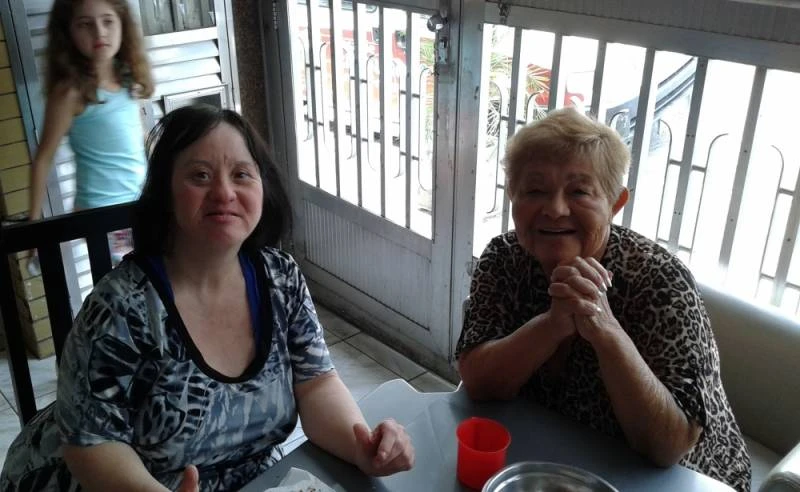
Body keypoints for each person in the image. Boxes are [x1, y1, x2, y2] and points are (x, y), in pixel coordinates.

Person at [0, 104, 415, 491]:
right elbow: (91, 444)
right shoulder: (121, 308)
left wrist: (361, 446)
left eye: (241, 174)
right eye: (199, 175)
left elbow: (316, 383)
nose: (224, 192)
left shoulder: (280, 278)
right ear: (165, 193)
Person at [455, 108, 751, 491]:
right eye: (534, 191)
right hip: (552, 459)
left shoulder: (660, 281)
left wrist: (604, 328)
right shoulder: (503, 259)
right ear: (513, 196)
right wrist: (552, 325)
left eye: (579, 191)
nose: (555, 209)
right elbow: (478, 382)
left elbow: (669, 445)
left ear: (615, 203)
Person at [27, 0, 154, 266]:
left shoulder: (128, 81)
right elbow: (43, 159)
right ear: (68, 33)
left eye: (108, 21)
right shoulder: (70, 93)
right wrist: (33, 226)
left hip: (139, 206)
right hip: (102, 216)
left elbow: (140, 139)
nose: (99, 32)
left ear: (122, 24)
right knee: (136, 281)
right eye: (85, 24)